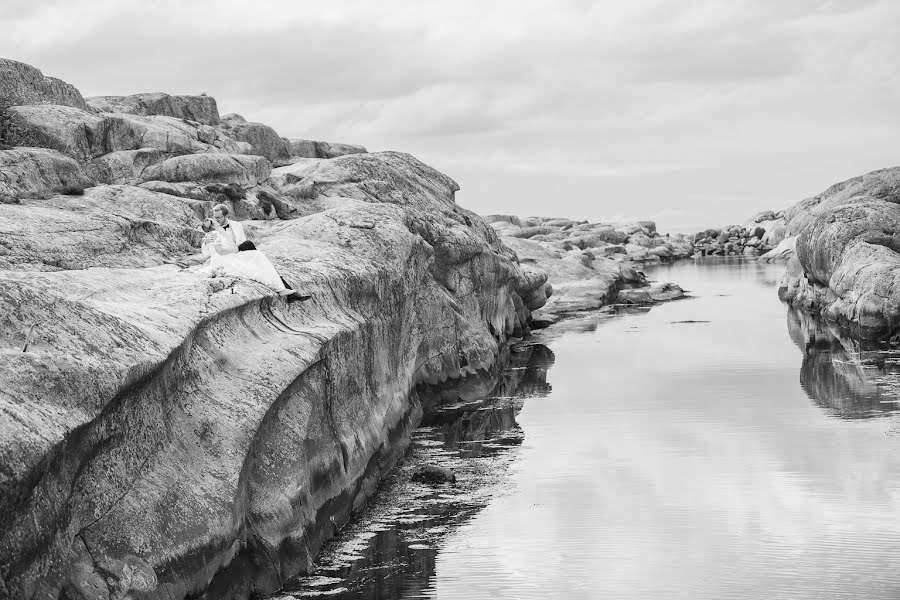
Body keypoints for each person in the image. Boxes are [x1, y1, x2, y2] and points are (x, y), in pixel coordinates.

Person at [202, 204, 309, 301]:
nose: (215, 220)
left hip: (237, 252)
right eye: (215, 217)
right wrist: (208, 241)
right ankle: (284, 291)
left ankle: (286, 291)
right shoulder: (214, 231)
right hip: (227, 257)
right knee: (258, 261)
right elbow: (208, 252)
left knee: (261, 260)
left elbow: (240, 243)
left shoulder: (236, 225)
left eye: (219, 217)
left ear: (226, 216)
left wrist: (237, 248)